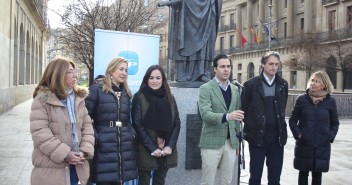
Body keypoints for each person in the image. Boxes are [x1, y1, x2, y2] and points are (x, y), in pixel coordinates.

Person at [30, 58, 94, 185]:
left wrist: (84, 151)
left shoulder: (79, 99)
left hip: (76, 166)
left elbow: (87, 127)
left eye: (75, 71)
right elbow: (40, 132)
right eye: (70, 72)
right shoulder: (42, 99)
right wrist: (65, 154)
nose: (75, 75)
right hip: (51, 169)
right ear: (58, 74)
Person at [85, 58, 138, 185]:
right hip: (104, 146)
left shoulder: (127, 93)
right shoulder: (96, 90)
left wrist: (131, 133)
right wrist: (97, 136)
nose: (124, 73)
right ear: (111, 70)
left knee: (120, 179)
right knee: (105, 179)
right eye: (121, 69)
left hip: (124, 145)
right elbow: (85, 118)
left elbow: (127, 119)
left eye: (126, 70)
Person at [241, 51, 288, 185]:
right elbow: (243, 110)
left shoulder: (283, 84)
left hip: (277, 139)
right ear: (262, 65)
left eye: (276, 64)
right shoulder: (250, 85)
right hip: (257, 139)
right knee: (255, 177)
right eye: (271, 64)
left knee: (275, 179)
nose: (274, 67)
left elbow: (282, 109)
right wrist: (252, 126)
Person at [198, 54, 244, 185]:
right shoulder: (206, 88)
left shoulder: (235, 89)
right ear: (215, 69)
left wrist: (236, 143)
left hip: (230, 143)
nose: (226, 69)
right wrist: (227, 116)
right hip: (211, 142)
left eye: (228, 66)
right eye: (222, 66)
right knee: (208, 181)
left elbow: (237, 118)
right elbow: (205, 115)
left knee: (227, 181)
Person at [132, 65, 181, 185]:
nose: (154, 81)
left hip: (166, 149)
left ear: (163, 80)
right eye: (151, 78)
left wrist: (170, 146)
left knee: (160, 181)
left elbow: (177, 123)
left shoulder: (170, 97)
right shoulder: (139, 97)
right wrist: (152, 148)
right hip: (145, 148)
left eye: (158, 78)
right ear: (146, 79)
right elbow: (137, 125)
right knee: (144, 181)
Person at [289, 71, 339, 185]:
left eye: (317, 81)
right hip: (304, 144)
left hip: (322, 145)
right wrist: (298, 134)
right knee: (303, 174)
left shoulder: (330, 102)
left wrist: (329, 137)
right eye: (312, 80)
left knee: (317, 175)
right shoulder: (302, 99)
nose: (313, 83)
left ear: (324, 85)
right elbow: (292, 120)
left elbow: (335, 123)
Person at [166, 0, 222, 82]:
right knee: (187, 40)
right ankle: (183, 73)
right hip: (188, 8)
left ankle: (202, 73)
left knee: (205, 39)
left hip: (207, 8)